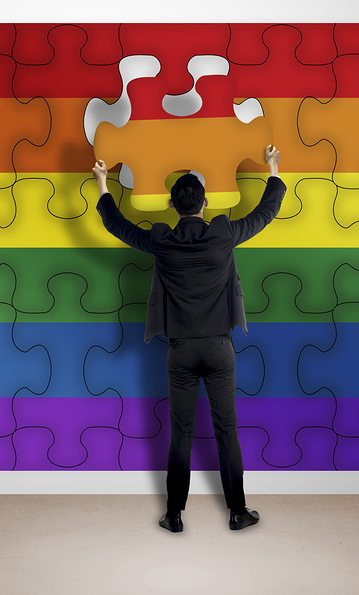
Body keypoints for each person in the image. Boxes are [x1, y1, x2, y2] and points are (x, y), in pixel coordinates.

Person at [92, 145, 286, 532]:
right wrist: (273, 167)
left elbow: (117, 224)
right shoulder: (225, 234)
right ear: (205, 202)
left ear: (171, 204)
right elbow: (266, 212)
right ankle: (237, 512)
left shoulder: (162, 240)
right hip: (219, 349)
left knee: (179, 431)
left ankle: (174, 515)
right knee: (226, 430)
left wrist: (102, 183)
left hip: (179, 351)